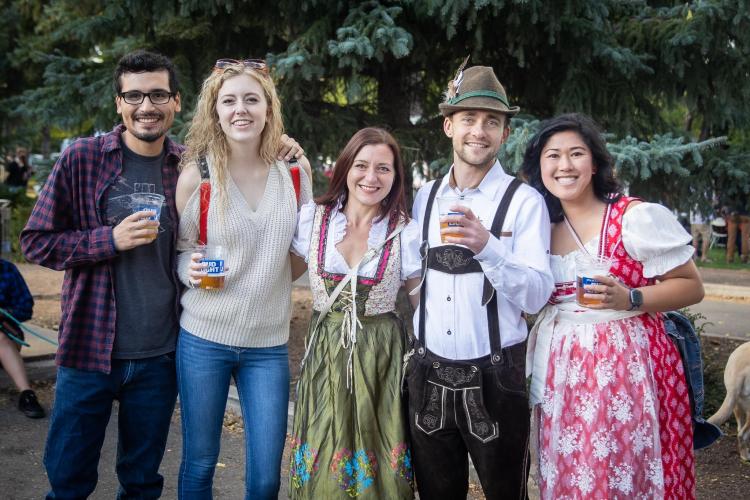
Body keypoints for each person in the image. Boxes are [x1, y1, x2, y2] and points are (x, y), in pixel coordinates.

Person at [20, 50, 185, 498]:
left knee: (141, 482)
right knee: (69, 480)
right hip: (88, 349)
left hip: (161, 354)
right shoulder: (81, 159)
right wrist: (107, 240)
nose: (145, 106)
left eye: (157, 94)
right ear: (118, 103)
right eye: (133, 95)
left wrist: (289, 149)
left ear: (176, 102)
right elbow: (36, 241)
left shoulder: (190, 166)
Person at [521, 113, 704, 499]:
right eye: (552, 156)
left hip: (628, 369)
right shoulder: (540, 227)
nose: (564, 166)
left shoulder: (632, 217)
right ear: (539, 166)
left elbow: (691, 286)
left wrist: (632, 297)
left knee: (623, 469)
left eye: (576, 154)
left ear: (595, 162)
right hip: (561, 372)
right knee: (571, 471)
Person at [404, 64, 554, 499]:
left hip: (496, 378)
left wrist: (488, 246)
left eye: (492, 121)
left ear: (505, 133)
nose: (479, 131)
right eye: (469, 119)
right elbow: (415, 275)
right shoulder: (425, 196)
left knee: (506, 493)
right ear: (449, 126)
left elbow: (538, 294)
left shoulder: (524, 203)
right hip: (428, 373)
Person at [175, 58, 311, 499]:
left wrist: (271, 272)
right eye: (229, 100)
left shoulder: (293, 173)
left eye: (251, 99)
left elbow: (303, 252)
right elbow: (182, 251)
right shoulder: (198, 174)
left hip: (267, 345)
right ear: (214, 111)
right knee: (199, 463)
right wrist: (188, 269)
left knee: (266, 475)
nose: (241, 109)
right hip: (204, 338)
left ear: (268, 109)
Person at [288, 127, 421, 499]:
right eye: (362, 165)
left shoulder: (404, 232)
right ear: (345, 168)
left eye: (384, 168)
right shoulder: (312, 219)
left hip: (381, 357)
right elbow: (277, 272)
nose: (371, 177)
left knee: (381, 458)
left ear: (395, 177)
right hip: (325, 354)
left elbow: (422, 305)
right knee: (322, 448)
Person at [0, 258, 45, 418]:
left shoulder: (7, 269)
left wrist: (5, 313)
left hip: (7, 337)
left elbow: (26, 308)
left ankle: (27, 394)